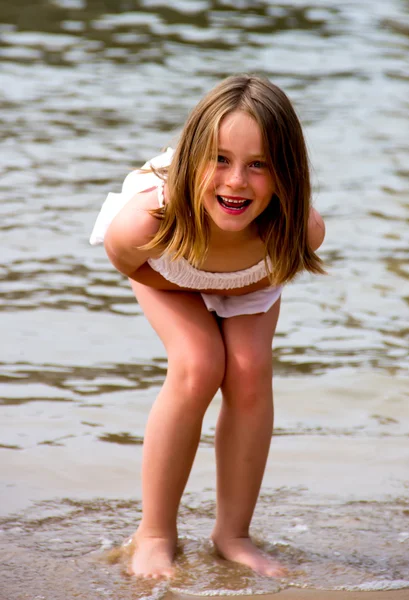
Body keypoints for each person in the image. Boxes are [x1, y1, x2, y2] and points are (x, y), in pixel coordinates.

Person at [90, 74, 325, 580]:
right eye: (220, 158)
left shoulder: (298, 228)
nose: (237, 181)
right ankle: (154, 533)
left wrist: (233, 289)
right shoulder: (145, 221)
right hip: (167, 262)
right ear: (194, 157)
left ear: (286, 172)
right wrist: (198, 291)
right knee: (198, 365)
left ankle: (232, 535)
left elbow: (277, 272)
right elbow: (126, 262)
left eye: (258, 164)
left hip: (251, 276)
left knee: (249, 370)